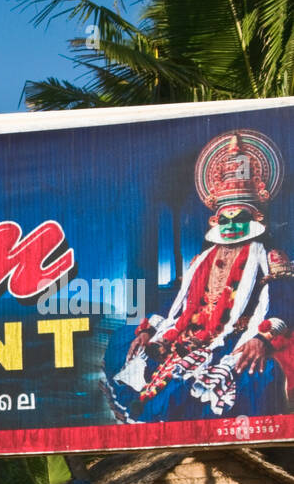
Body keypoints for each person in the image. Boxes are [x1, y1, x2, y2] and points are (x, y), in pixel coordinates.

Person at [106, 129, 294, 423]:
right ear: (214, 221)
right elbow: (179, 306)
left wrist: (261, 338)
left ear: (256, 218)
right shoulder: (201, 261)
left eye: (240, 218)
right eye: (225, 220)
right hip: (191, 334)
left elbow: (284, 304)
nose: (232, 226)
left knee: (228, 379)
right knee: (131, 347)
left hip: (233, 335)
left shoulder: (270, 257)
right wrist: (151, 328)